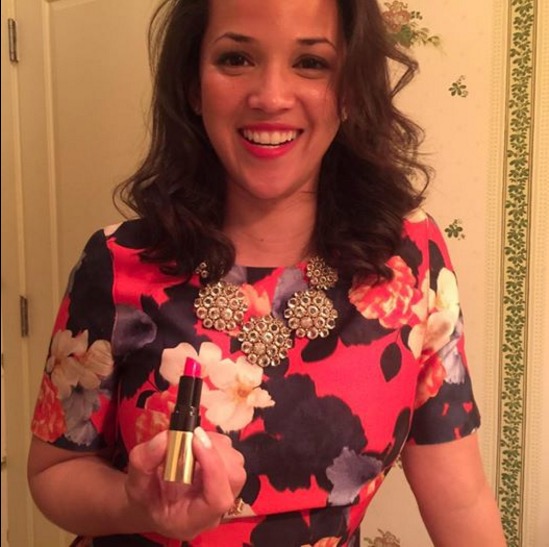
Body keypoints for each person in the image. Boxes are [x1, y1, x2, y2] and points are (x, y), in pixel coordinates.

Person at [27, 0, 507, 545]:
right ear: (192, 85)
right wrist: (136, 505)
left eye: (311, 63)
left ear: (350, 90)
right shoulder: (116, 261)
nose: (272, 97)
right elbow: (53, 472)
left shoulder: (411, 260)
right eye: (236, 58)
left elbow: (461, 499)